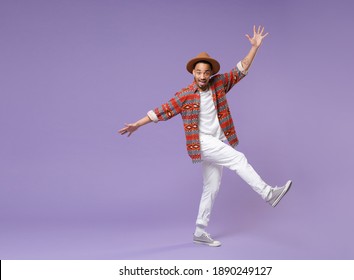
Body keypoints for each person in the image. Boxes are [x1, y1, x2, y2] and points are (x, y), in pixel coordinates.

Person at [118, 25, 292, 247]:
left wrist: (254, 48)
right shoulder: (185, 95)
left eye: (206, 72)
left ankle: (200, 231)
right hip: (200, 142)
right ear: (193, 73)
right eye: (198, 72)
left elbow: (241, 69)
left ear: (211, 74)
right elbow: (162, 111)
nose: (202, 76)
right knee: (238, 159)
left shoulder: (219, 84)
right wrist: (138, 124)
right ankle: (269, 194)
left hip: (216, 141)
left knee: (211, 187)